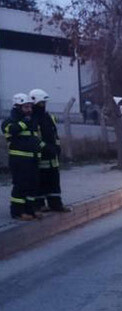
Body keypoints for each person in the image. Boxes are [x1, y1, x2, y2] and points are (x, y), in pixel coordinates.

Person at [30, 89, 71, 212]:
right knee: (40, 181)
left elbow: (54, 134)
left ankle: (56, 204)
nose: (43, 105)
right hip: (40, 155)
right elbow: (33, 137)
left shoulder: (48, 117)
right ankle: (40, 205)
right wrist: (44, 147)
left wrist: (57, 147)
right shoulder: (31, 119)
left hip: (52, 155)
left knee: (54, 181)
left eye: (44, 103)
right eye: (41, 103)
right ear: (34, 103)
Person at [2, 93, 41, 221]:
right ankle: (17, 211)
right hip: (19, 159)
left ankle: (30, 209)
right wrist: (24, 123)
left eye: (30, 107)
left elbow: (35, 139)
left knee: (32, 185)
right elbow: (12, 130)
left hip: (32, 158)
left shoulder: (31, 121)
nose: (29, 110)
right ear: (17, 107)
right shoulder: (9, 122)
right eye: (26, 107)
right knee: (20, 185)